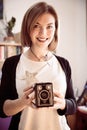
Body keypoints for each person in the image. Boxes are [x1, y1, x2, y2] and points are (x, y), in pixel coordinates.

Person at [0, 2, 76, 130]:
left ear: (55, 29)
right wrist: (22, 102)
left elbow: (73, 104)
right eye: (36, 25)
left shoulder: (63, 64)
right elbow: (2, 109)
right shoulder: (11, 64)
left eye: (49, 26)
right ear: (27, 28)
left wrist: (62, 103)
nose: (43, 33)